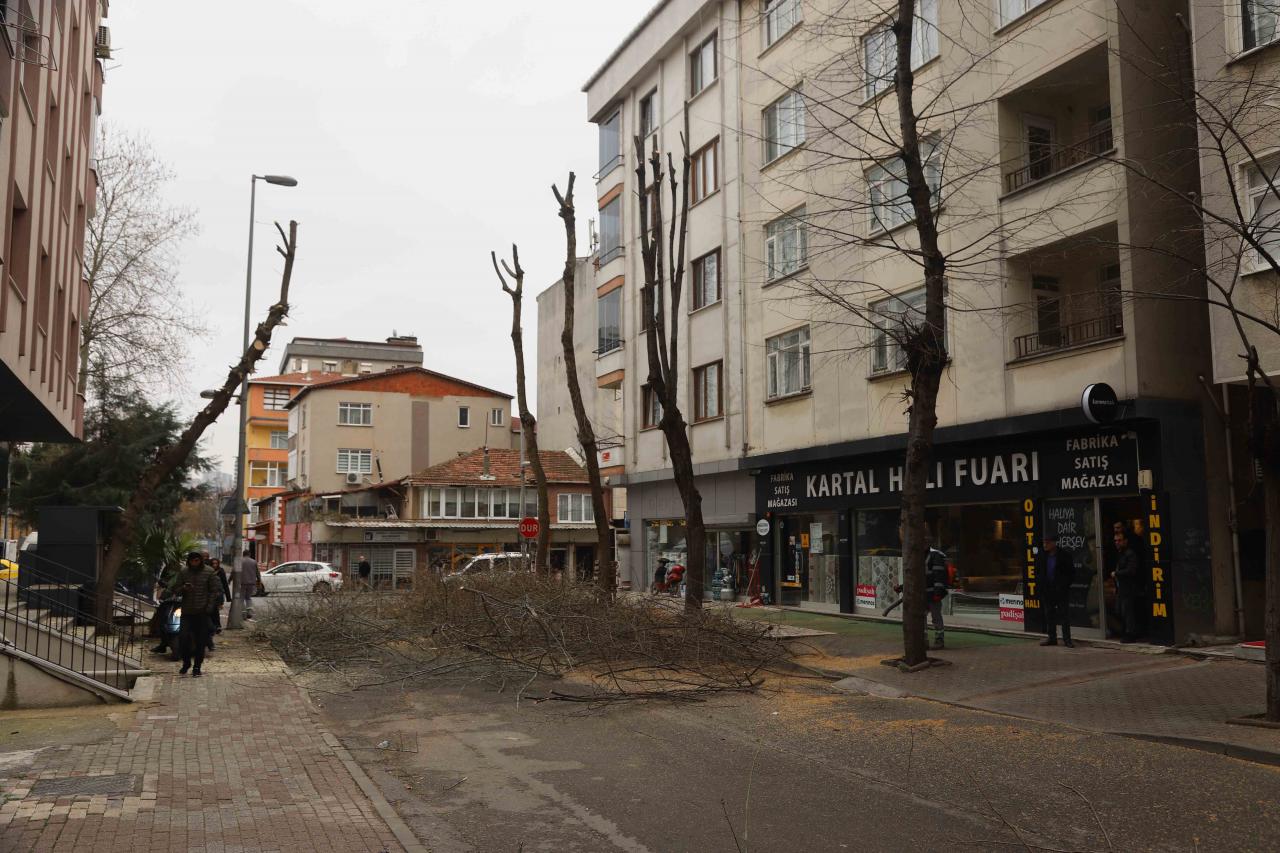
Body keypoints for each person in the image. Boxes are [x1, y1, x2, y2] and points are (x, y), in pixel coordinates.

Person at [178, 552, 223, 677]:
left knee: (200, 641)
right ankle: (186, 663)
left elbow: (215, 591)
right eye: (192, 561)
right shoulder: (184, 572)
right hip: (187, 612)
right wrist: (183, 588)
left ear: (200, 561)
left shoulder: (209, 572)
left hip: (202, 612)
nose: (194, 563)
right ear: (189, 561)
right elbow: (176, 590)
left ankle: (197, 667)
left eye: (197, 560)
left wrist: (208, 607)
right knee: (183, 638)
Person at [1038, 533, 1076, 648]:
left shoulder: (1064, 555)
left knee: (1064, 615)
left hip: (1060, 590)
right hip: (1047, 590)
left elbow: (1071, 573)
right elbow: (1038, 571)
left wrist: (1064, 586)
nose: (1045, 545)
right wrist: (1041, 585)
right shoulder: (1042, 556)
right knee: (1049, 614)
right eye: (1044, 542)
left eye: (1047, 542)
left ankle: (1067, 639)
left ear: (1054, 543)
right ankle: (1052, 637)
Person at [1111, 529, 1141, 642]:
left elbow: (1131, 570)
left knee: (1127, 611)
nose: (1117, 542)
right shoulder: (1119, 554)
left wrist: (1117, 573)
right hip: (1121, 588)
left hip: (1128, 588)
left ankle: (1130, 633)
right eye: (1115, 541)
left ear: (1125, 541)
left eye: (1119, 540)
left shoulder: (1130, 554)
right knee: (1120, 610)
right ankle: (1127, 631)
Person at [207, 557, 231, 649]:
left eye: (216, 564)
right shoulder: (208, 571)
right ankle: (213, 627)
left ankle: (217, 626)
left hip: (218, 595)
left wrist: (228, 597)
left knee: (215, 611)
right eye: (213, 564)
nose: (214, 565)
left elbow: (224, 584)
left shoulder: (221, 571)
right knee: (211, 611)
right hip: (209, 595)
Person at [238, 550, 259, 619]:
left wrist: (230, 580)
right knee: (248, 598)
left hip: (242, 582)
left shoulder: (239, 561)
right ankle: (249, 612)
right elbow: (257, 572)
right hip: (251, 583)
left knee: (241, 598)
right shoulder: (254, 561)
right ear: (249, 554)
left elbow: (234, 571)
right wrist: (259, 580)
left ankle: (243, 613)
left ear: (243, 554)